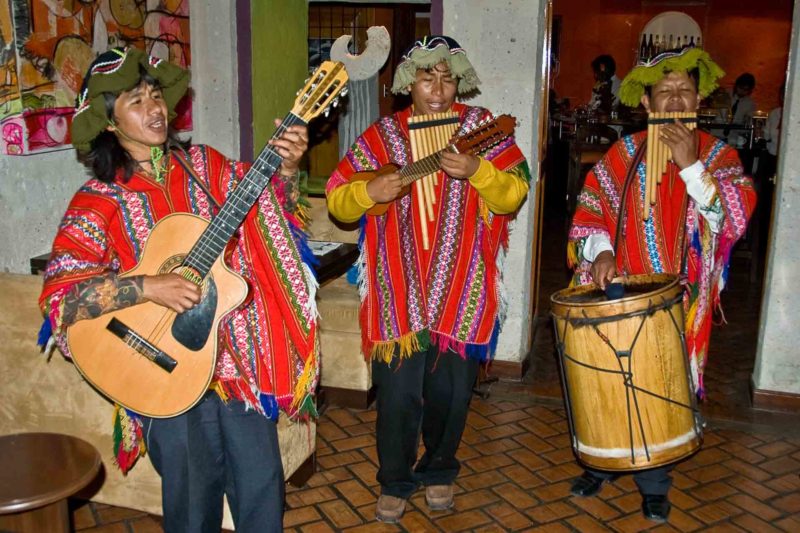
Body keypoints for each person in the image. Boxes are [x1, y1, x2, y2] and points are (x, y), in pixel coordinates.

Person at [38, 47, 318, 532]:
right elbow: (61, 296)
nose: (154, 109)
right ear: (108, 123)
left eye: (154, 95)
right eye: (135, 101)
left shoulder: (205, 166)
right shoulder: (99, 200)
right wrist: (146, 286)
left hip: (237, 365)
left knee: (263, 488)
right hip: (160, 369)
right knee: (192, 506)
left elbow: (271, 222)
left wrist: (288, 169)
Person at [325, 35, 530, 523]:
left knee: (451, 394)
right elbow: (338, 197)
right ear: (406, 83)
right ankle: (394, 480)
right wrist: (368, 190)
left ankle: (439, 471)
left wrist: (479, 170)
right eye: (426, 76)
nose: (438, 89)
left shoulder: (484, 130)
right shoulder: (381, 136)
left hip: (463, 287)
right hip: (398, 289)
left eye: (447, 77)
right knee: (396, 395)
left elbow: (514, 193)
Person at [566, 47, 756, 523]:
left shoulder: (721, 156)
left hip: (681, 302)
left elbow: (731, 219)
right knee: (607, 383)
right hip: (617, 294)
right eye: (664, 93)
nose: (674, 102)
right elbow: (591, 209)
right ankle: (604, 462)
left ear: (700, 100)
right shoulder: (621, 153)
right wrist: (602, 251)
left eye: (684, 92)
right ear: (647, 104)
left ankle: (655, 481)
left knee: (663, 390)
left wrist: (692, 166)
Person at [725, 72, 756, 148]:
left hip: (733, 139)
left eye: (746, 90)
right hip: (717, 134)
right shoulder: (725, 95)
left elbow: (748, 126)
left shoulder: (750, 104)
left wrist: (737, 126)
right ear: (736, 86)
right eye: (740, 88)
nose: (742, 91)